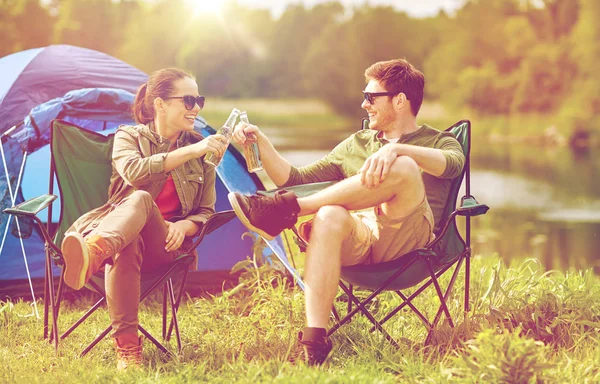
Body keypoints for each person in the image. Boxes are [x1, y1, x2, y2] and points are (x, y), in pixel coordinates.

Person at [228, 59, 465, 365]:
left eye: (371, 97)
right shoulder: (357, 142)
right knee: (328, 215)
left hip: (410, 242)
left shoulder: (437, 141)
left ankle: (289, 209)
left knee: (403, 166)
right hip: (360, 239)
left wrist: (398, 149)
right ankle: (314, 343)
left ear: (400, 100)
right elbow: (295, 179)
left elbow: (454, 164)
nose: (364, 104)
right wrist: (261, 142)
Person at [60, 68, 228, 370]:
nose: (197, 108)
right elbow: (135, 172)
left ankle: (94, 251)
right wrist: (194, 150)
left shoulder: (202, 148)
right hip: (127, 241)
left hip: (166, 247)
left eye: (199, 99)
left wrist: (183, 225)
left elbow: (206, 210)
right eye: (188, 100)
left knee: (140, 200)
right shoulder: (128, 136)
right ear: (160, 104)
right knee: (132, 225)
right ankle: (128, 351)